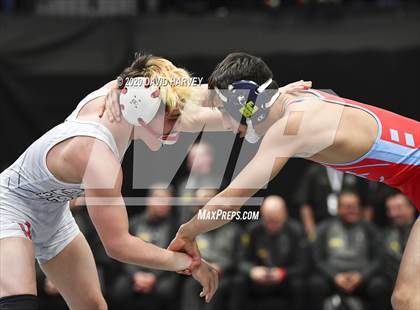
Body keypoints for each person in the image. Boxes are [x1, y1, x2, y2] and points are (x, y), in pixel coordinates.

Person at [165, 52, 419, 310]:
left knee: (408, 299)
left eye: (224, 111)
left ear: (246, 103)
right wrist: (134, 90)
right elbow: (199, 109)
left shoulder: (292, 126)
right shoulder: (289, 101)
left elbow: (230, 203)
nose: (226, 125)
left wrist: (186, 233)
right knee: (406, 300)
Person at [0, 54, 219, 310]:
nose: (178, 127)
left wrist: (267, 98)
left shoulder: (124, 96)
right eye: (171, 118)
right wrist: (188, 263)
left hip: (53, 213)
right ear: (142, 108)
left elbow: (180, 90)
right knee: (20, 306)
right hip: (9, 207)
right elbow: (118, 245)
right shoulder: (99, 157)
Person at [310, 191, 387, 310]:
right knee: (315, 284)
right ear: (338, 208)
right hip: (333, 277)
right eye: (348, 207)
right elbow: (317, 259)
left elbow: (378, 259)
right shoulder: (324, 228)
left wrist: (361, 276)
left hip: (362, 277)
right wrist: (335, 276)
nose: (353, 210)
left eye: (356, 206)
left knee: (379, 285)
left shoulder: (370, 229)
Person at [232, 195, 307, 310]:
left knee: (301, 284)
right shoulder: (253, 230)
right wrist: (252, 270)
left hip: (285, 278)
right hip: (259, 277)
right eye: (268, 220)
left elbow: (303, 264)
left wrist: (283, 273)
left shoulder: (296, 231)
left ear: (285, 214)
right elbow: (240, 260)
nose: (271, 225)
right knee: (238, 281)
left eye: (276, 221)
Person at [110, 186, 179, 310]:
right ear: (149, 200)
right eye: (159, 199)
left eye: (167, 201)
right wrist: (135, 275)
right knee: (120, 288)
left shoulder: (175, 228)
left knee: (166, 290)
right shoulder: (134, 223)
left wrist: (153, 277)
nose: (163, 204)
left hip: (160, 273)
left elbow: (173, 256)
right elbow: (124, 253)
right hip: (134, 271)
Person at [382, 193, 417, 299]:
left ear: (411, 208)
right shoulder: (384, 235)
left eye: (398, 208)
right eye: (390, 209)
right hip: (394, 285)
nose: (393, 214)